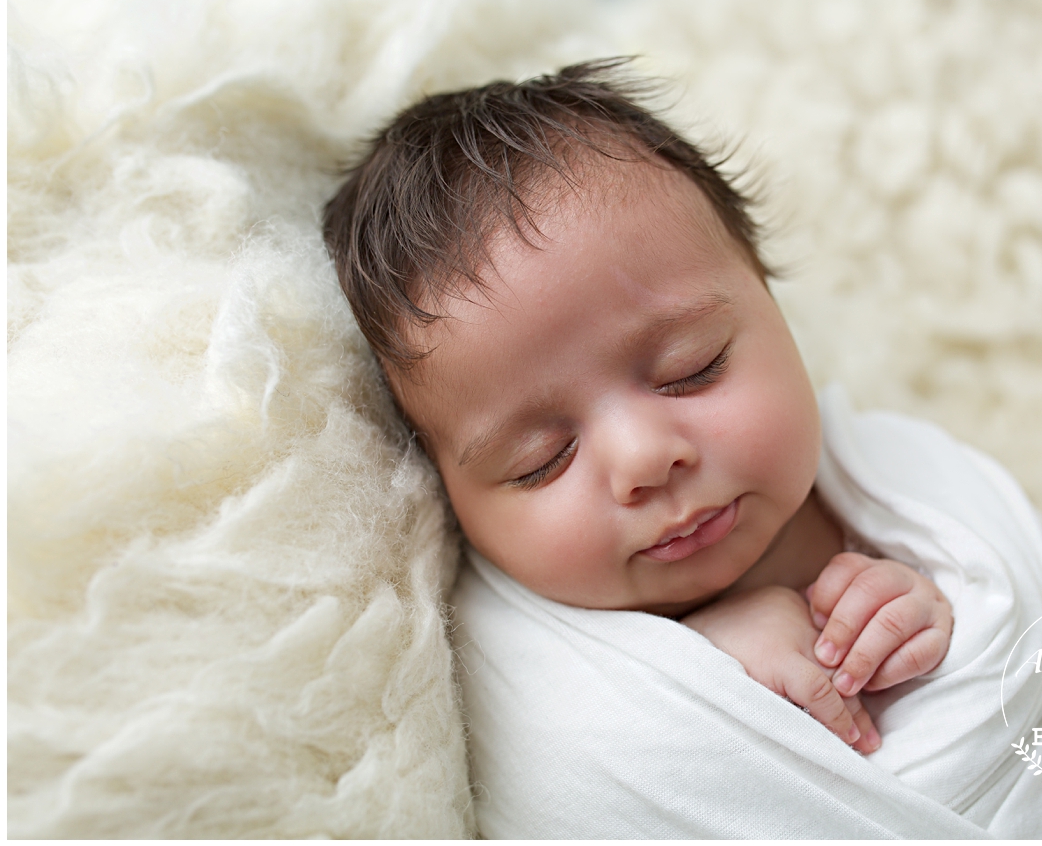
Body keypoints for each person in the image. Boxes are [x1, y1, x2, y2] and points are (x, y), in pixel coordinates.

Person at [322, 59, 955, 754]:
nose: (646, 460)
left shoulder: (911, 498)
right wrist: (706, 675)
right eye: (542, 461)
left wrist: (920, 610)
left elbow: (1011, 624)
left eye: (692, 369)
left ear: (770, 301)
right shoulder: (539, 694)